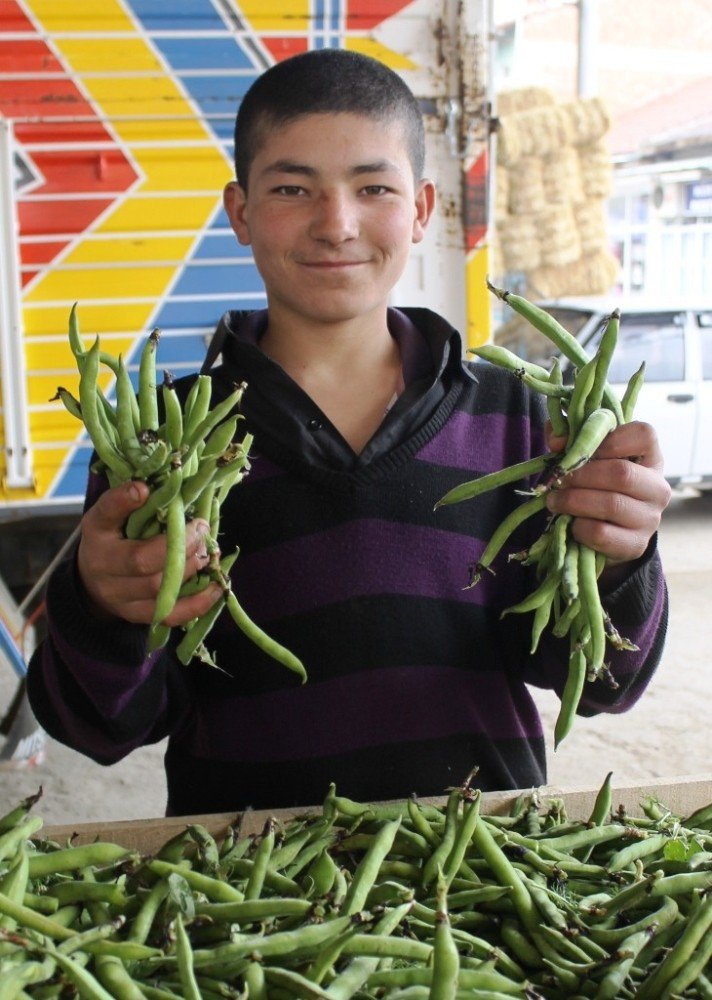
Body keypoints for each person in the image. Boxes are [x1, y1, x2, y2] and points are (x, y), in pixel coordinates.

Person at [27, 49, 671, 817]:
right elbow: (99, 727)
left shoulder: (525, 423)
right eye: (293, 189)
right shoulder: (163, 448)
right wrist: (101, 608)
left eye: (374, 188)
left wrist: (621, 559)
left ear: (423, 208)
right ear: (239, 210)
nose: (337, 224)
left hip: (476, 886)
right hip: (249, 895)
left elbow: (602, 684)